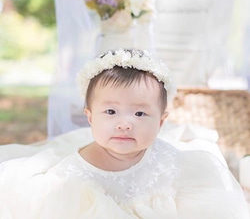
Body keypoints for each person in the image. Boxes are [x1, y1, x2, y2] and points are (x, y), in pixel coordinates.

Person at [0, 48, 249, 218]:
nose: (124, 124)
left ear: (161, 122)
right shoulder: (70, 178)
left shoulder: (170, 162)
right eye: (110, 112)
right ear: (90, 117)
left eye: (140, 114)